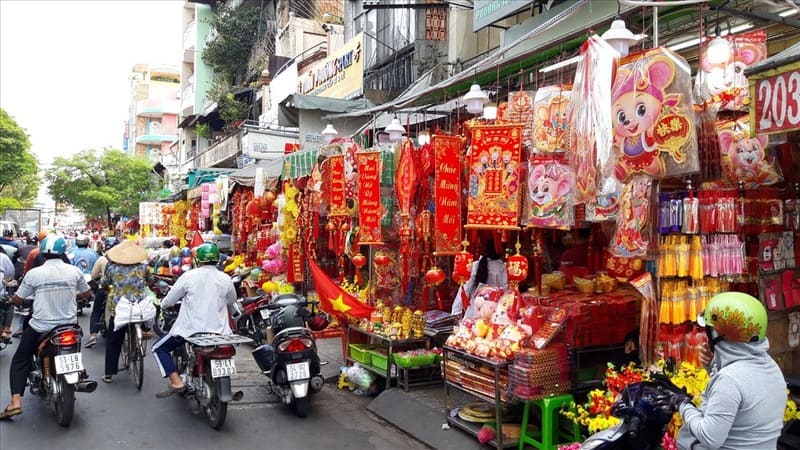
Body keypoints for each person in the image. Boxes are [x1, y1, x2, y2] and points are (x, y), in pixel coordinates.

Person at [675, 291, 786, 449]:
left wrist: (683, 405)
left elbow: (710, 437)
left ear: (721, 335)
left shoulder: (729, 380)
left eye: (710, 331)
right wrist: (713, 367)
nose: (707, 337)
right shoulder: (770, 366)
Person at [0, 234, 93, 420]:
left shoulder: (34, 274)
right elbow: (86, 293)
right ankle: (78, 374)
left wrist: (15, 301)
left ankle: (15, 402)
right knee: (75, 346)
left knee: (20, 359)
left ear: (41, 252)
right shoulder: (74, 271)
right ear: (63, 251)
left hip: (41, 327)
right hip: (69, 326)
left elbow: (18, 298)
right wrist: (75, 296)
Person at [152, 242, 236, 398]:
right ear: (217, 260)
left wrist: (162, 305)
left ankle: (177, 382)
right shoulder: (225, 278)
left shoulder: (189, 276)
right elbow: (232, 300)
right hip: (220, 331)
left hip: (191, 330)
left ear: (198, 260)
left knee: (159, 348)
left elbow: (169, 300)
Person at [99, 240, 151, 383]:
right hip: (139, 306)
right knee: (145, 319)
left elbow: (104, 283)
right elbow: (150, 281)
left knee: (113, 340)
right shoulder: (143, 267)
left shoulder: (111, 267)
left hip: (120, 308)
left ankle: (109, 373)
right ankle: (145, 330)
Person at [451, 239, 508, 317]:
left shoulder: (476, 265)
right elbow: (506, 290)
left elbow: (465, 289)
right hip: (495, 308)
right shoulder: (504, 268)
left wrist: (456, 310)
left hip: (475, 307)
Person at [85, 236, 119, 348]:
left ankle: (93, 336)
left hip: (104, 290)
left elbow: (93, 275)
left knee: (96, 312)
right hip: (120, 291)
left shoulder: (102, 259)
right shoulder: (124, 259)